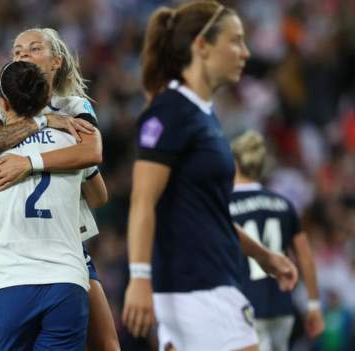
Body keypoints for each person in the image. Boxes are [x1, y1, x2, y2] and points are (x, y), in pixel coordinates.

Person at [121, 1, 299, 350]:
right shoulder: (170, 112)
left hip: (209, 284)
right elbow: (143, 201)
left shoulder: (203, 115)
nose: (244, 53)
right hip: (197, 290)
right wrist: (138, 277)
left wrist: (264, 256)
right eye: (235, 41)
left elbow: (209, 212)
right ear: (201, 45)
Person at [0, 27, 119, 351]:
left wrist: (28, 162)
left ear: (56, 62)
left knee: (107, 343)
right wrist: (44, 124)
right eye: (18, 50)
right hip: (6, 250)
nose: (23, 54)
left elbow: (92, 153)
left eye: (34, 48)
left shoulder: (73, 105)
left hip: (60, 243)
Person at [230, 131, 324, 351]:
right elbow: (305, 258)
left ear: (234, 162)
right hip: (281, 306)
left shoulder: (223, 205)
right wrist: (314, 305)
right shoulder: (283, 204)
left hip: (243, 307)